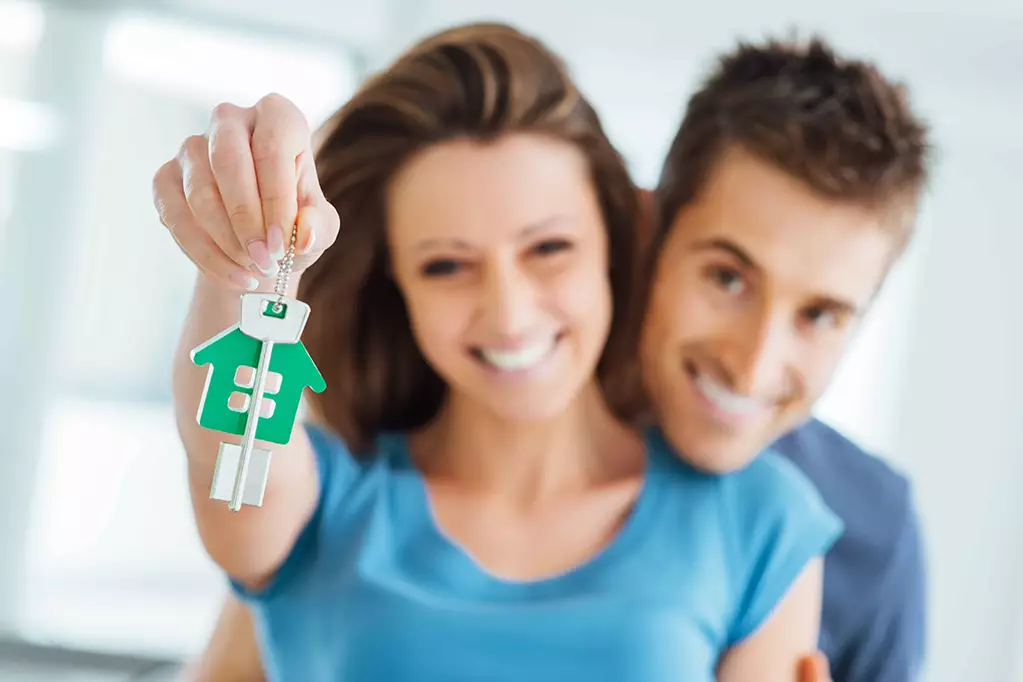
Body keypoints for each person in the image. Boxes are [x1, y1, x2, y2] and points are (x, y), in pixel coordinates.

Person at [156, 22, 842, 682]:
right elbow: (225, 447)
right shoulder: (322, 507)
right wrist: (244, 255)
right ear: (398, 287)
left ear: (614, 239)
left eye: (548, 248)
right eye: (446, 266)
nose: (509, 315)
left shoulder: (759, 523)